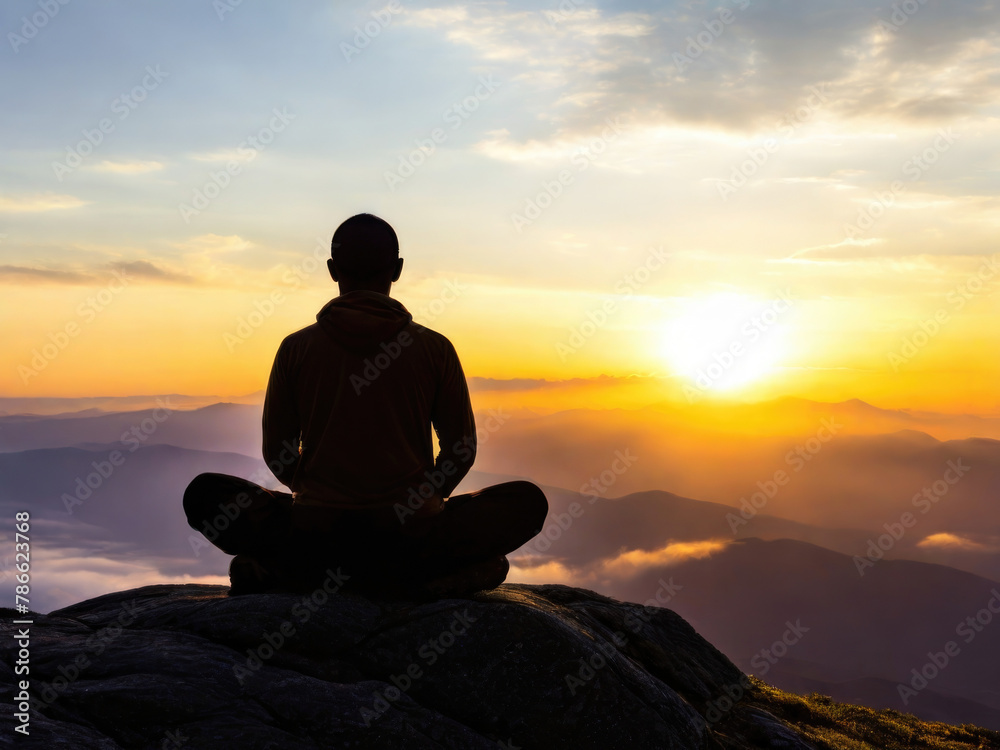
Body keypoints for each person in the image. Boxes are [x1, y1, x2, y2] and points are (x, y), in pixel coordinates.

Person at [183, 213, 548, 597]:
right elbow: (460, 450)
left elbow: (277, 452)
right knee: (526, 503)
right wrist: (423, 502)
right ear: (398, 270)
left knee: (206, 494)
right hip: (411, 536)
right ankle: (420, 579)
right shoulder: (434, 349)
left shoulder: (296, 349)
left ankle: (295, 573)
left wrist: (318, 496)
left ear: (332, 269)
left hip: (314, 534)